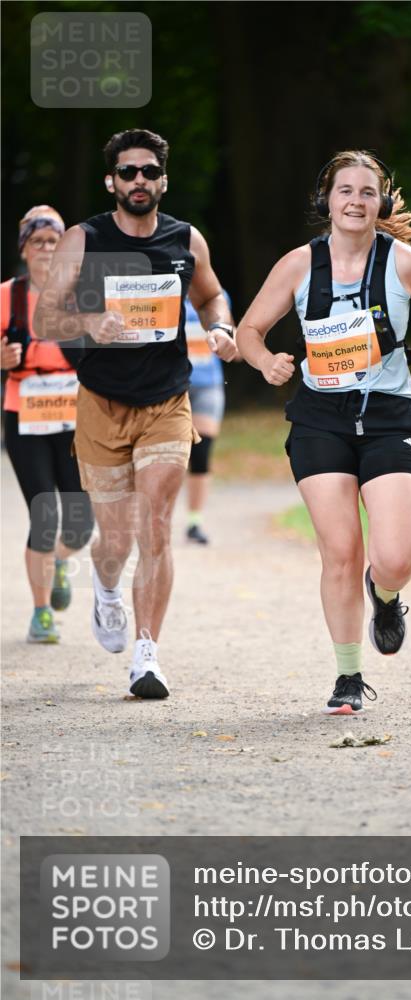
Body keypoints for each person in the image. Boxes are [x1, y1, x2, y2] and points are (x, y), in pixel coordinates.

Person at [228, 150, 411, 714]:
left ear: (380, 202)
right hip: (320, 418)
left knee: (397, 557)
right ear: (326, 201)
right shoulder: (299, 265)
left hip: (387, 416)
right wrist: (265, 363)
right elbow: (249, 331)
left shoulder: (405, 262)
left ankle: (385, 596)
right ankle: (349, 677)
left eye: (367, 191)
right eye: (344, 191)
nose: (356, 201)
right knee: (339, 551)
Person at [33, 129, 238, 698]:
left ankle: (147, 655)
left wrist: (220, 327)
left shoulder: (185, 239)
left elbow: (211, 295)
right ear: (112, 182)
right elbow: (46, 318)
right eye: (129, 172)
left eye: (149, 171)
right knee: (116, 540)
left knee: (155, 527)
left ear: (163, 180)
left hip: (167, 403)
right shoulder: (85, 239)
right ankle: (105, 588)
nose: (139, 181)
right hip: (101, 403)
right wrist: (88, 324)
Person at [1, 206, 94, 643]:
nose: (45, 249)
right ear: (23, 248)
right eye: (36, 241)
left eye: (53, 242)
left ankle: (58, 561)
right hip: (24, 413)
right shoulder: (7, 296)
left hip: (75, 416)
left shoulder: (82, 294)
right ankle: (41, 614)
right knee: (44, 515)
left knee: (79, 523)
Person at [183, 292, 238, 544]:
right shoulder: (159, 288)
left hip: (207, 384)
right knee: (170, 456)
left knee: (200, 452)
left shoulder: (217, 296)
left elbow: (231, 335)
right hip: (172, 385)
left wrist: (235, 344)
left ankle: (195, 521)